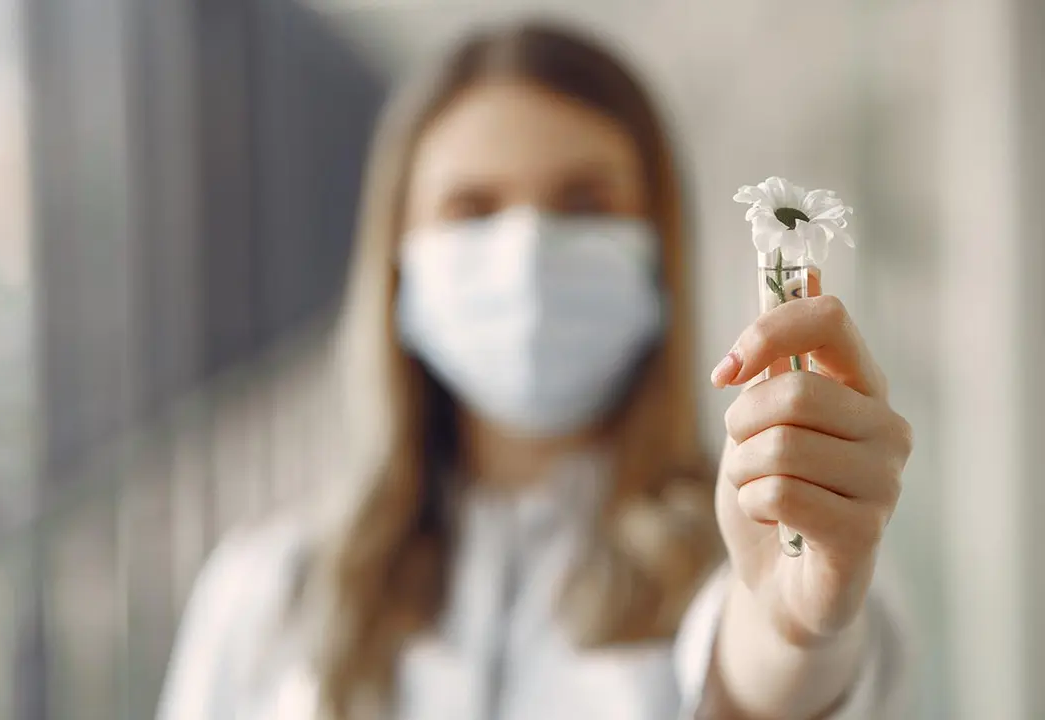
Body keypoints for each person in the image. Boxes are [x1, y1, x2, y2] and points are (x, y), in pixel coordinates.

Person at [157, 20, 913, 720]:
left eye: (584, 203)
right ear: (397, 263)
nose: (525, 251)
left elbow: (772, 664)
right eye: (472, 208)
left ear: (659, 250)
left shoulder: (757, 543)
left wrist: (793, 629)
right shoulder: (268, 595)